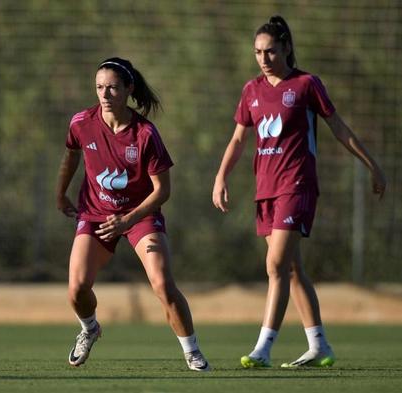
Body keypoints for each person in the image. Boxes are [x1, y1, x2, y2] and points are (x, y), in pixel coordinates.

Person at [212, 16, 386, 368]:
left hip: (297, 183)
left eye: (270, 50)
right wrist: (221, 177)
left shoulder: (307, 84)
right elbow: (237, 139)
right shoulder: (251, 90)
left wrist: (372, 164)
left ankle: (263, 348)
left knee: (275, 265)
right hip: (265, 189)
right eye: (258, 52)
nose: (263, 58)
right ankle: (319, 344)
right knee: (290, 269)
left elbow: (338, 127)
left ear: (286, 47)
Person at [56, 57, 211, 371]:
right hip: (96, 214)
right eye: (100, 87)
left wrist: (127, 220)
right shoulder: (81, 122)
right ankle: (90, 329)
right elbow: (72, 154)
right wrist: (60, 192)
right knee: (77, 288)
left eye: (113, 87)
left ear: (128, 89)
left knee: (162, 285)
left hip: (139, 215)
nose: (105, 94)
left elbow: (162, 191)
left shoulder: (145, 135)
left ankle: (191, 351)